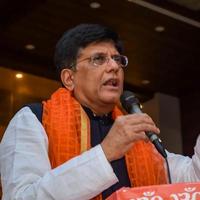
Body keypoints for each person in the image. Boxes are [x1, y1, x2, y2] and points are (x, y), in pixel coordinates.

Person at [0, 24, 200, 200]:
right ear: (69, 78)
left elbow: (191, 178)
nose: (114, 66)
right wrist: (105, 153)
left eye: (117, 59)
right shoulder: (34, 119)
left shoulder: (136, 134)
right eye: (98, 59)